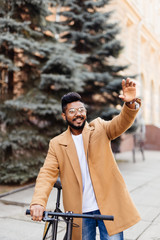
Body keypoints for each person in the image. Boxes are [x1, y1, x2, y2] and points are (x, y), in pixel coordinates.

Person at [30, 78, 141, 240]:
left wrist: (130, 105)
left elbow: (121, 123)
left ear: (86, 112)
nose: (78, 114)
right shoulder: (57, 143)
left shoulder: (100, 128)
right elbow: (46, 174)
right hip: (79, 212)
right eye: (72, 111)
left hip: (108, 208)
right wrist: (38, 202)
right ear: (64, 115)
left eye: (81, 109)